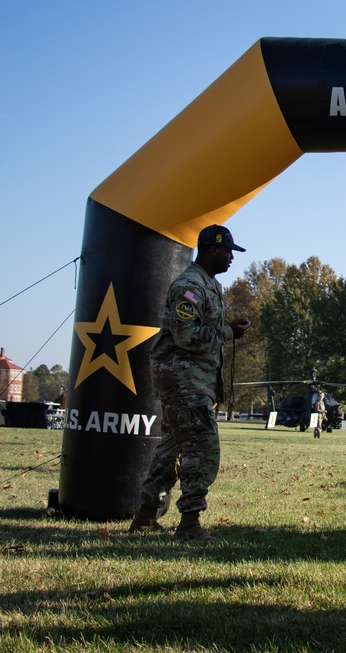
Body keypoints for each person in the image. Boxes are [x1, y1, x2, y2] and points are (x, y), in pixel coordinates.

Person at [129, 224, 251, 541]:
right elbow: (185, 336)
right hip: (183, 379)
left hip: (192, 380)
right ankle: (189, 523)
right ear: (213, 249)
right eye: (228, 252)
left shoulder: (209, 284)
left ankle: (145, 517)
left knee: (171, 448)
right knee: (202, 446)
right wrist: (228, 333)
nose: (231, 258)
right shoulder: (190, 285)